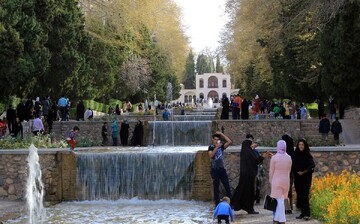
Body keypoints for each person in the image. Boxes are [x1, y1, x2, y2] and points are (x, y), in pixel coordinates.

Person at [231, 134, 272, 214]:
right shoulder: (248, 151)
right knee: (249, 192)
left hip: (245, 175)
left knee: (242, 190)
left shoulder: (245, 150)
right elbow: (255, 161)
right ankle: (248, 208)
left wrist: (262, 156)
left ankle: (237, 205)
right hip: (249, 175)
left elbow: (254, 160)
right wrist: (263, 156)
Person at [292, 139, 315, 221]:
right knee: (300, 195)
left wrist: (304, 171)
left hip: (305, 178)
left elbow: (312, 165)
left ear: (305, 145)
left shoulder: (307, 154)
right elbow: (292, 165)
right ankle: (302, 213)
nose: (301, 146)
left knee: (305, 195)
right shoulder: (295, 154)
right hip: (298, 178)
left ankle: (307, 214)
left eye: (302, 145)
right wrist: (297, 171)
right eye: (299, 145)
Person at [269, 140, 292, 224]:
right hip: (286, 180)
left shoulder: (274, 157)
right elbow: (289, 170)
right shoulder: (289, 157)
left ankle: (282, 219)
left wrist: (271, 181)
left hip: (276, 180)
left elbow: (271, 171)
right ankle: (276, 219)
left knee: (280, 200)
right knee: (281, 199)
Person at [208, 131, 233, 206]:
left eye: (217, 139)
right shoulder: (211, 147)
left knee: (227, 186)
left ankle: (230, 203)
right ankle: (217, 204)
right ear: (212, 140)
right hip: (214, 169)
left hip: (222, 169)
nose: (216, 141)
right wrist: (216, 147)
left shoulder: (221, 147)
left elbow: (230, 142)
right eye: (215, 139)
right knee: (216, 187)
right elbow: (211, 156)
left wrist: (221, 134)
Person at [282, 134, 295, 213]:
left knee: (284, 192)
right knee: (288, 191)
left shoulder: (284, 154)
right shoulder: (292, 154)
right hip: (290, 174)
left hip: (284, 175)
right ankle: (289, 208)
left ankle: (286, 208)